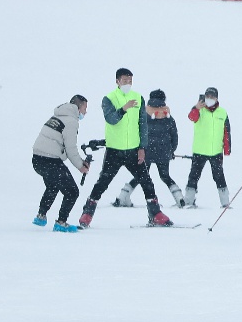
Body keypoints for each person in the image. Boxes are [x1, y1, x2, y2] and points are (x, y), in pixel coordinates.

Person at [78, 68, 168, 227]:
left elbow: (143, 124)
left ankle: (155, 213)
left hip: (133, 151)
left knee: (146, 181)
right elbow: (111, 119)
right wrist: (124, 109)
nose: (128, 84)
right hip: (114, 150)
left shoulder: (138, 98)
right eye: (125, 81)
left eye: (130, 81)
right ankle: (88, 212)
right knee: (103, 182)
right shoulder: (109, 98)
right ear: (117, 81)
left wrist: (142, 147)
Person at [32, 94, 91, 231]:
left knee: (53, 185)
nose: (85, 112)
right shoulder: (71, 121)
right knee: (72, 191)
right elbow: (70, 148)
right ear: (78, 107)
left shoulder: (56, 116)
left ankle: (41, 216)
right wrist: (81, 166)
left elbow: (60, 145)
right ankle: (61, 222)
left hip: (37, 159)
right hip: (50, 160)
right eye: (84, 108)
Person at [116, 88, 183, 207]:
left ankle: (122, 197)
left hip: (145, 152)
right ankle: (180, 199)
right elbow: (174, 136)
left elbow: (136, 133)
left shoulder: (143, 115)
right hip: (163, 153)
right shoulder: (168, 117)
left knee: (139, 176)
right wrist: (171, 151)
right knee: (165, 176)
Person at [185, 88, 232, 209]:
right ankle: (189, 201)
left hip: (216, 152)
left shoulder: (222, 112)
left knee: (219, 176)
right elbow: (191, 118)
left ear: (216, 98)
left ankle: (225, 202)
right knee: (194, 175)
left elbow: (226, 131)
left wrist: (227, 149)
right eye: (207, 96)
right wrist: (196, 108)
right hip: (199, 150)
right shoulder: (199, 110)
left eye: (212, 97)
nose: (209, 99)